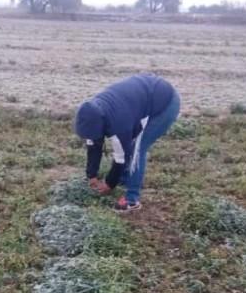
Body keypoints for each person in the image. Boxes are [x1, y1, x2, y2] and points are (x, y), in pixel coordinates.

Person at [74, 74, 181, 212]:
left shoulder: (118, 125)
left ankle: (132, 200)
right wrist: (91, 175)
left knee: (137, 149)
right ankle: (124, 177)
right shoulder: (91, 111)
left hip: (165, 104)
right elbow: (93, 144)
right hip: (141, 98)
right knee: (128, 147)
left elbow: (121, 158)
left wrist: (109, 183)